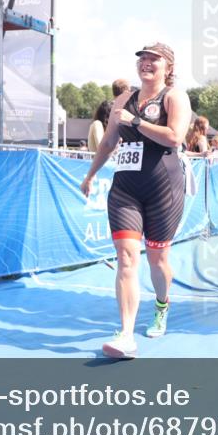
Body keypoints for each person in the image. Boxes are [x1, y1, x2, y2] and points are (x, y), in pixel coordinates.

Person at [80, 42, 192, 359]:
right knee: (127, 257)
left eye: (153, 59)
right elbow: (109, 143)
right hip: (126, 189)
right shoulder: (122, 100)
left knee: (157, 261)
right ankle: (126, 334)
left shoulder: (174, 97)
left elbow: (175, 137)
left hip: (164, 189)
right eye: (142, 58)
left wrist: (137, 122)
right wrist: (90, 175)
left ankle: (161, 304)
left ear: (168, 67)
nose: (146, 63)